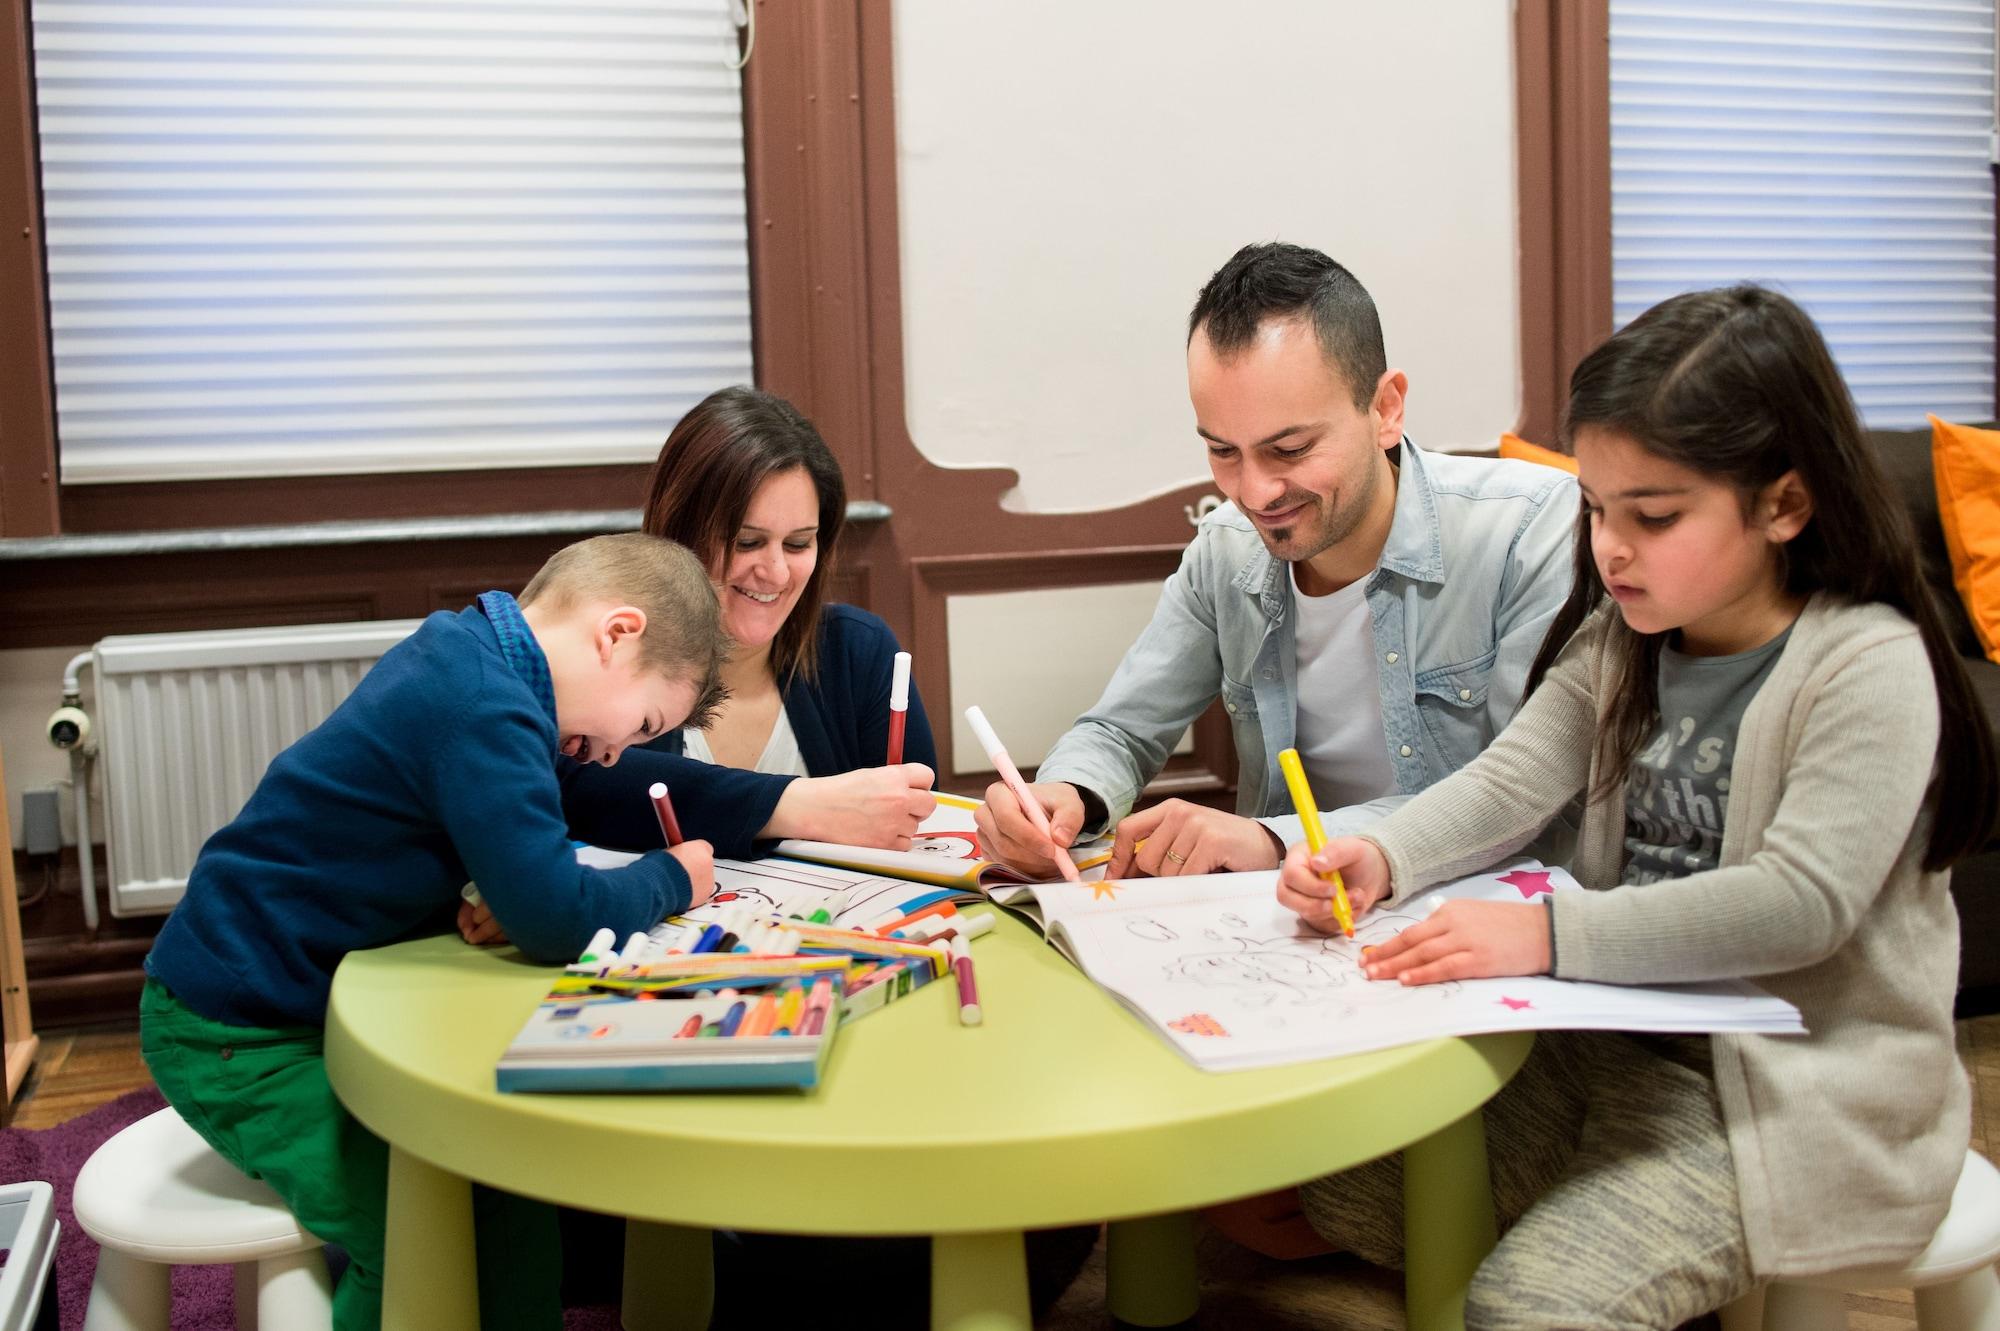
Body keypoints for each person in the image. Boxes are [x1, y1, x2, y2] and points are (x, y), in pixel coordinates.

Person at [1276, 285, 1997, 1329]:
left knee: (1526, 1302)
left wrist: (1541, 933)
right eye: (1596, 509)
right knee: (1344, 1181)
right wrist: (1380, 853)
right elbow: (1507, 779)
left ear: (1783, 506)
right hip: (1622, 1039)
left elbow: (1796, 905)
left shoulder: (1864, 663)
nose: (1610, 547)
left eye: (1651, 517)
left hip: (1800, 1093)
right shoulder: (1624, 643)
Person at [140, 533, 731, 1331]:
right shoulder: (485, 701)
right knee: (410, 1227)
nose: (618, 751)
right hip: (235, 1030)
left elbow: (497, 846)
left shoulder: (473, 656)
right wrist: (673, 876)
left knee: (503, 1182)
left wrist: (505, 884)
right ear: (616, 633)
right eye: (646, 720)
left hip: (296, 1001)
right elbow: (555, 913)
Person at [974, 242, 1578, 882]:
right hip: (1287, 931)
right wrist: (1070, 796)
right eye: (1222, 451)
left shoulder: (1529, 530)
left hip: (1489, 922)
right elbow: (1122, 730)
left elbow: (1521, 797)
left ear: (1385, 409)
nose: (1255, 493)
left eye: (1289, 449)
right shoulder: (1226, 549)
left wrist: (1276, 840)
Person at [548, 390, 938, 871]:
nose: (775, 573)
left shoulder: (857, 649)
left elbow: (921, 827)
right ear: (680, 531)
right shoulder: (608, 645)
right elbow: (570, 784)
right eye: (748, 542)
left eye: (798, 544)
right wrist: (798, 805)